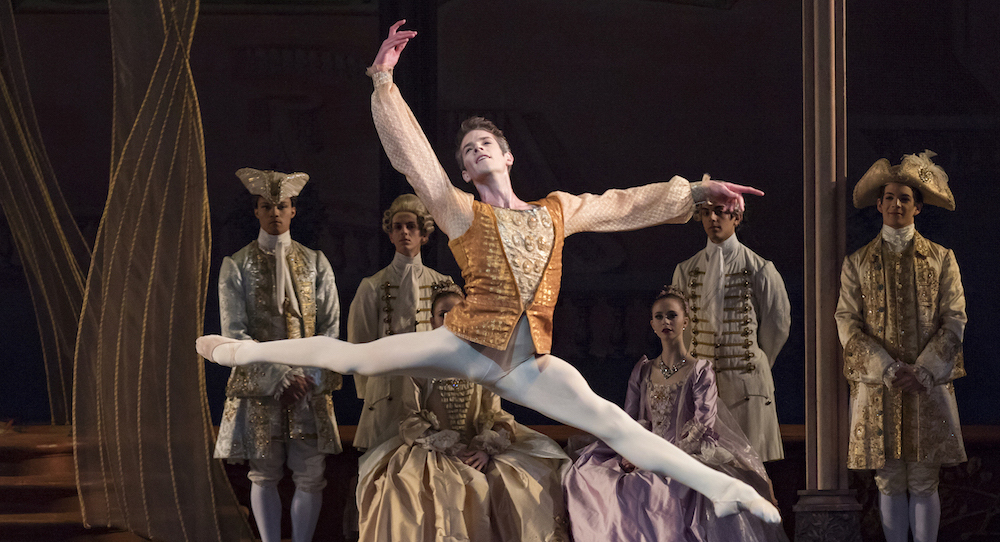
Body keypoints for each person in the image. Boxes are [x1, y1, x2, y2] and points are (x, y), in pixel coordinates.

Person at [198, 21, 781, 522]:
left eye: (485, 144)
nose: (475, 150)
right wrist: (384, 83)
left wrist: (698, 190)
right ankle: (238, 352)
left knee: (608, 419)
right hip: (464, 341)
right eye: (467, 150)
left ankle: (724, 490)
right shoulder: (460, 213)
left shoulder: (557, 211)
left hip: (528, 362)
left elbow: (623, 204)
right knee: (352, 355)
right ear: (467, 170)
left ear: (507, 156)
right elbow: (416, 163)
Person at [564, 287, 787, 541]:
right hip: (645, 450)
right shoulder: (643, 370)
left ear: (685, 321)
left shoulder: (700, 370)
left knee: (664, 487)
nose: (665, 322)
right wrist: (635, 453)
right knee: (596, 477)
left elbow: (703, 424)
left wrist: (667, 459)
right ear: (651, 324)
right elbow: (629, 421)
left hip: (686, 452)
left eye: (672, 315)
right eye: (659, 317)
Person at [357, 287, 570, 541]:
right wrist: (446, 445)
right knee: (423, 490)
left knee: (518, 485)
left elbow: (494, 413)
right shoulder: (420, 365)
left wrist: (484, 449)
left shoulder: (483, 363)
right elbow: (410, 416)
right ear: (432, 320)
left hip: (477, 447)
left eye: (456, 312)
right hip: (433, 449)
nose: (448, 319)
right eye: (442, 313)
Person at [835, 151, 966, 542]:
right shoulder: (857, 262)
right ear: (879, 204)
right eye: (889, 197)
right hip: (880, 387)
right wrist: (887, 368)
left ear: (918, 207)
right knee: (889, 477)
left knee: (925, 477)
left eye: (904, 198)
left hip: (928, 384)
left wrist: (923, 370)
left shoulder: (941, 259)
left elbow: (954, 317)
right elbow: (847, 321)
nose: (896, 204)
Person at [213, 168, 343, 542]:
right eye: (266, 206)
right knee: (264, 473)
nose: (274, 213)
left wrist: (307, 377)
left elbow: (330, 328)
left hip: (309, 387)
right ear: (256, 211)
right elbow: (233, 333)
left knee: (310, 475)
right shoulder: (236, 265)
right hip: (261, 388)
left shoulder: (316, 262)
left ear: (293, 210)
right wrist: (279, 377)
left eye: (281, 205)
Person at [671, 202, 790, 461]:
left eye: (720, 212)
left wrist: (754, 364)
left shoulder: (760, 268)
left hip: (746, 386)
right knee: (700, 468)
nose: (713, 218)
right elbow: (682, 332)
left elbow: (777, 324)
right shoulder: (686, 270)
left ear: (736, 217)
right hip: (700, 385)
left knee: (747, 469)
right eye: (705, 213)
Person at [348, 193, 454, 451]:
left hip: (431, 389)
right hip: (385, 390)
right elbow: (358, 341)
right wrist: (368, 393)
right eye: (398, 227)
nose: (405, 232)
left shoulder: (444, 284)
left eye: (411, 227)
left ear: (424, 235)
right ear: (390, 234)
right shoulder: (372, 286)